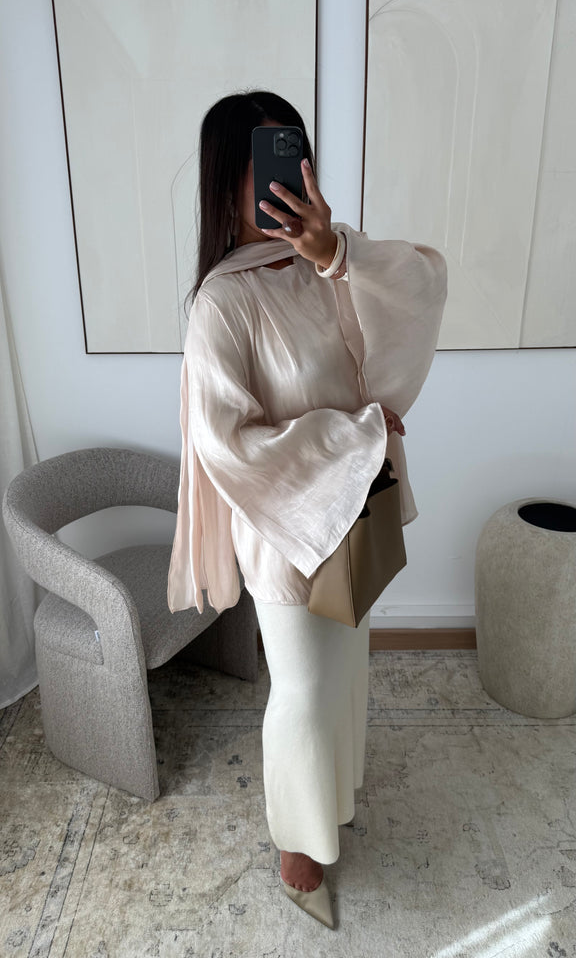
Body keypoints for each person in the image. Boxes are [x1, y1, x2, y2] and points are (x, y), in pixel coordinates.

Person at [167, 90, 448, 929]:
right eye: (262, 166)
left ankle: (335, 801)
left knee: (347, 670)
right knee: (303, 687)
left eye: (294, 158)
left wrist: (336, 255)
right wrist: (359, 433)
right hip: (285, 529)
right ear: (227, 181)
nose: (284, 182)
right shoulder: (220, 305)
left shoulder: (324, 261)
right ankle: (297, 851)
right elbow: (226, 444)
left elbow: (419, 292)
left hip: (357, 509)